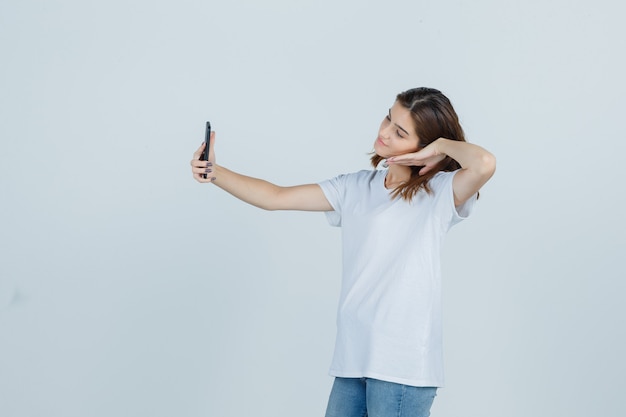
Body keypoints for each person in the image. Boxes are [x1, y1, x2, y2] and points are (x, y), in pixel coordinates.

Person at [190, 87, 496, 417]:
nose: (384, 132)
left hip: (402, 367)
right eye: (388, 118)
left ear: (424, 146)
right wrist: (215, 172)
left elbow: (484, 164)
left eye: (400, 132)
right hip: (353, 360)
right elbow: (275, 197)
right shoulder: (355, 187)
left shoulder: (438, 193)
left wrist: (438, 148)